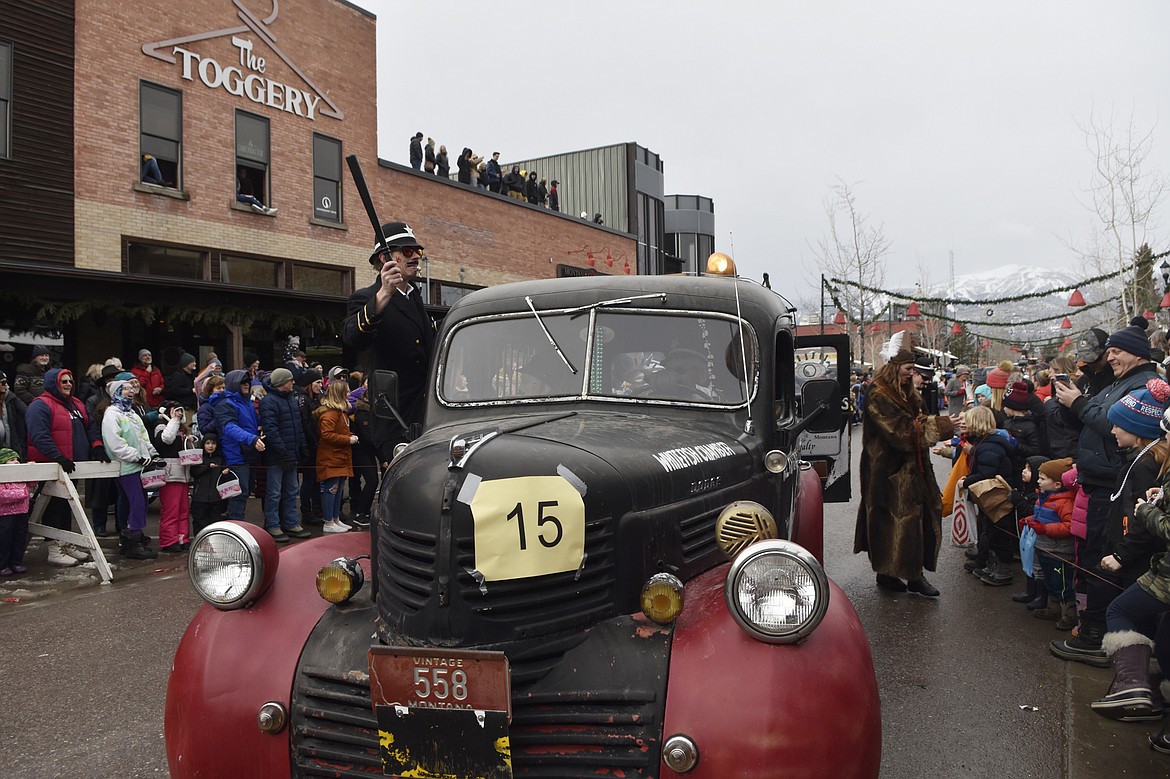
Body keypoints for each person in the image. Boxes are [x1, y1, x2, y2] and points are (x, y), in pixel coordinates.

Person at [1051, 317, 1161, 665]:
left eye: (1116, 351)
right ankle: (1097, 630)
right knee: (1095, 555)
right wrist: (1071, 404)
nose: (1109, 357)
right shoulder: (1120, 381)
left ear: (1136, 354)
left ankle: (1097, 635)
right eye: (1109, 351)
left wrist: (1079, 404)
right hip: (1100, 480)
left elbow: (1115, 421)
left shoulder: (1145, 385)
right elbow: (1097, 418)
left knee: (1105, 558)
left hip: (1113, 482)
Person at [854, 344, 953, 596]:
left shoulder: (909, 392)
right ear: (895, 367)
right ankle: (905, 576)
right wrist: (941, 426)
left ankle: (902, 573)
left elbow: (917, 421)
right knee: (896, 521)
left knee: (914, 519)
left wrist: (932, 423)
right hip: (887, 471)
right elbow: (902, 433)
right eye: (909, 368)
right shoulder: (879, 393)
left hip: (912, 467)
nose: (912, 373)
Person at [342, 221, 436, 447]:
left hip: (428, 415)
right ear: (385, 259)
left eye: (417, 251)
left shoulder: (414, 297)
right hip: (396, 419)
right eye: (407, 251)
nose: (415, 256)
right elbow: (353, 337)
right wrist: (383, 296)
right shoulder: (366, 297)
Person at [26, 367, 108, 566]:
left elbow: (90, 427)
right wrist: (57, 456)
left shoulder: (77, 404)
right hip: (51, 466)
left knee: (66, 507)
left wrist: (96, 446)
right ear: (54, 383)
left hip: (73, 466)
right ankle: (54, 548)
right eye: (64, 381)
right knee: (52, 508)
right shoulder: (40, 405)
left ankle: (66, 543)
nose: (69, 384)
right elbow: (39, 435)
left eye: (71, 381)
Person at [957, 405, 1019, 586]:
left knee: (998, 533)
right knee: (989, 530)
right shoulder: (986, 443)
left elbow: (986, 473)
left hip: (997, 497)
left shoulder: (989, 447)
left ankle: (1003, 570)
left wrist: (966, 481)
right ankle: (992, 565)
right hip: (994, 497)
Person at [101, 376, 161, 560]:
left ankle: (133, 535)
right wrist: (137, 457)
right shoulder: (112, 414)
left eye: (130, 388)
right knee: (135, 502)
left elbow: (143, 437)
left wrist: (153, 454)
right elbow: (115, 444)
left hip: (139, 465)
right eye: (125, 388)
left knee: (141, 501)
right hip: (127, 466)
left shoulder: (131, 413)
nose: (130, 391)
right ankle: (132, 539)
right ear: (116, 393)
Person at [1020, 458, 1078, 628]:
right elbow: (1040, 516)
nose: (1038, 481)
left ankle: (1069, 614)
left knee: (1062, 584)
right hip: (1044, 548)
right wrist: (1029, 520)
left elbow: (1069, 526)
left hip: (1059, 552)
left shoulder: (1065, 503)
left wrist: (1045, 529)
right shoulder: (1043, 498)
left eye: (1043, 478)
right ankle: (1053, 608)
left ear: (1058, 484)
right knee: (1050, 581)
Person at [258, 367, 309, 542]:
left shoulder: (291, 399)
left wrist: (302, 446)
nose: (293, 382)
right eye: (290, 380)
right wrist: (283, 452)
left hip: (291, 452)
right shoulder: (269, 402)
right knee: (274, 492)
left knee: (291, 491)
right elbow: (271, 430)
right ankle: (273, 524)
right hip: (276, 456)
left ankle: (291, 523)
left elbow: (298, 426)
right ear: (281, 383)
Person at [211, 369, 265, 522]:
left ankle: (237, 525)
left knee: (244, 492)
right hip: (235, 454)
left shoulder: (246, 401)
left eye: (248, 381)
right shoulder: (225, 404)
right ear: (234, 383)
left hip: (248, 453)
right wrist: (252, 439)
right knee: (238, 494)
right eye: (242, 381)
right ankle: (236, 527)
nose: (246, 384)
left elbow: (251, 424)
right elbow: (228, 428)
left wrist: (260, 430)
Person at [315, 378, 356, 533]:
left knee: (338, 489)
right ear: (340, 393)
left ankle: (335, 518)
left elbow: (340, 431)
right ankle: (328, 521)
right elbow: (327, 435)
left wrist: (350, 435)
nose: (349, 393)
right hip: (330, 457)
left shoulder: (341, 412)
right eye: (346, 391)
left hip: (340, 456)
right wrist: (348, 439)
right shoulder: (330, 413)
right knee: (330, 489)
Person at [151, 404, 191, 553]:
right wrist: (173, 420)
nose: (179, 414)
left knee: (183, 509)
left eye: (181, 410)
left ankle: (182, 538)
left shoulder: (180, 429)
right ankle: (169, 540)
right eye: (176, 410)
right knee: (171, 510)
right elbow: (166, 440)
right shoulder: (161, 425)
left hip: (183, 474)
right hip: (170, 474)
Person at [295, 369, 325, 523]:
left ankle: (316, 510)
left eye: (321, 382)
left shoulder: (314, 399)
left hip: (315, 444)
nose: (320, 385)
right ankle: (307, 512)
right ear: (309, 383)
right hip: (308, 446)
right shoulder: (302, 399)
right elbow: (305, 424)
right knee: (308, 480)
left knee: (315, 480)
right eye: (317, 382)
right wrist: (313, 442)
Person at [0, 448, 33, 576]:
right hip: (5, 514)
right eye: (11, 460)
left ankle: (16, 562)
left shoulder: (21, 475)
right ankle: (2, 564)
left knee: (19, 538)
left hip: (22, 512)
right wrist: (23, 494)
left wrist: (30, 470)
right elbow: (2, 495)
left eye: (17, 460)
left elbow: (32, 483)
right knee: (4, 539)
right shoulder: (3, 477)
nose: (16, 462)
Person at [189, 434, 227, 538]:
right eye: (208, 443)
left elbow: (223, 479)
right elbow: (194, 473)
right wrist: (207, 467)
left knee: (215, 523)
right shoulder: (198, 458)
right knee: (199, 522)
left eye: (213, 443)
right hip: (199, 498)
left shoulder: (220, 459)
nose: (211, 446)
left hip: (216, 498)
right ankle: (199, 542)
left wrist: (225, 472)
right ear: (203, 444)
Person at [165, 352, 198, 424]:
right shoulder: (178, 376)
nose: (195, 363)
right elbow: (175, 390)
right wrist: (191, 390)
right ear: (186, 364)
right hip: (184, 409)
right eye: (192, 362)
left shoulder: (193, 375)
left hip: (193, 408)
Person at [0, 372, 27, 460]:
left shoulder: (10, 397)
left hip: (10, 448)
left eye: (6, 382)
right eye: (3, 383)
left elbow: (27, 411)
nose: (6, 386)